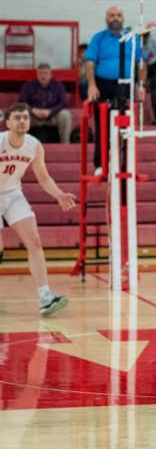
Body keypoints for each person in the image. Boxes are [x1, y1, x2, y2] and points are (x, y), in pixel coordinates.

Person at [0, 102, 76, 314]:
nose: (22, 121)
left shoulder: (34, 145)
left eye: (25, 117)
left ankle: (45, 297)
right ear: (8, 123)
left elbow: (43, 177)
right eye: (17, 118)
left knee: (34, 241)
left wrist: (59, 194)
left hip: (12, 193)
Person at [84, 6, 146, 173]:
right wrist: (92, 85)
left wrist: (141, 86)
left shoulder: (133, 38)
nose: (115, 18)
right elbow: (89, 62)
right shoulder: (98, 38)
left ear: (123, 18)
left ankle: (125, 166)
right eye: (111, 15)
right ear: (106, 18)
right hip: (103, 85)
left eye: (118, 15)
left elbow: (141, 63)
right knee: (101, 125)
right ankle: (100, 165)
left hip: (126, 85)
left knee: (126, 127)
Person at [20, 63, 72, 144]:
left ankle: (65, 145)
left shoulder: (58, 85)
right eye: (41, 73)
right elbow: (21, 102)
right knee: (20, 115)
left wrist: (51, 111)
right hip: (33, 117)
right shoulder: (28, 85)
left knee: (65, 115)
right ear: (37, 74)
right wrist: (32, 110)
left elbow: (63, 103)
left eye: (46, 73)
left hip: (52, 116)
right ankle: (20, 144)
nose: (43, 76)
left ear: (50, 75)